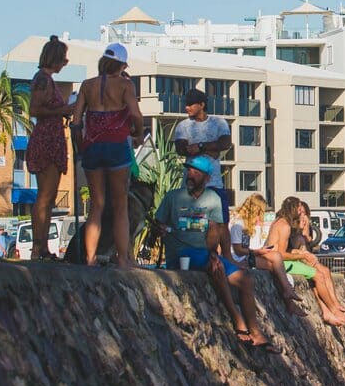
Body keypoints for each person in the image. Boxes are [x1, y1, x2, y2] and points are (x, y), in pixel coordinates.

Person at [154, 156, 279, 353]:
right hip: (180, 252)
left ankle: (255, 330)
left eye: (196, 172)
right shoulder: (172, 197)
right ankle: (237, 319)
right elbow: (157, 222)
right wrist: (161, 228)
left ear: (206, 177)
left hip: (205, 251)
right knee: (216, 267)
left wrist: (223, 253)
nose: (190, 174)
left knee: (245, 280)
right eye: (189, 170)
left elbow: (220, 230)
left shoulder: (213, 199)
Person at [71, 43, 144, 268]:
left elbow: (75, 122)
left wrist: (79, 145)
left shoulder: (87, 85)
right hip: (116, 146)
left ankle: (91, 258)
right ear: (121, 64)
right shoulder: (125, 85)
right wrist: (138, 134)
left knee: (96, 205)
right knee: (120, 204)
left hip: (92, 146)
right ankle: (123, 259)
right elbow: (135, 114)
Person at [265, 198, 345, 326]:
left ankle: (331, 309)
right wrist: (302, 257)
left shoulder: (280, 222)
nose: (301, 213)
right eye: (299, 210)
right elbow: (281, 254)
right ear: (293, 209)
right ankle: (333, 310)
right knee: (318, 276)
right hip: (277, 262)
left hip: (274, 259)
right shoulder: (285, 226)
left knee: (320, 273)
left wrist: (300, 253)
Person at [25, 36, 71, 260]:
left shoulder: (46, 79)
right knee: (44, 196)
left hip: (52, 138)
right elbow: (35, 109)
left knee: (49, 196)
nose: (66, 62)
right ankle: (37, 246)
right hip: (46, 139)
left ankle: (42, 246)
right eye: (63, 58)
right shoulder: (42, 80)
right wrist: (63, 111)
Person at [228, 193, 307, 317]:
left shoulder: (246, 224)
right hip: (239, 259)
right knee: (275, 261)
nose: (260, 217)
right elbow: (238, 250)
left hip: (247, 256)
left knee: (275, 258)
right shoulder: (238, 224)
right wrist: (257, 251)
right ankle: (287, 292)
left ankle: (287, 295)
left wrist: (260, 250)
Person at [173, 88, 232, 218]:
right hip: (191, 185)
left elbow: (225, 143)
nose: (187, 107)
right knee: (191, 223)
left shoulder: (219, 122)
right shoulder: (182, 126)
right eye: (186, 104)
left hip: (214, 183)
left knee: (220, 223)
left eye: (190, 104)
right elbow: (181, 149)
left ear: (202, 105)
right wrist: (212, 150)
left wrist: (199, 147)